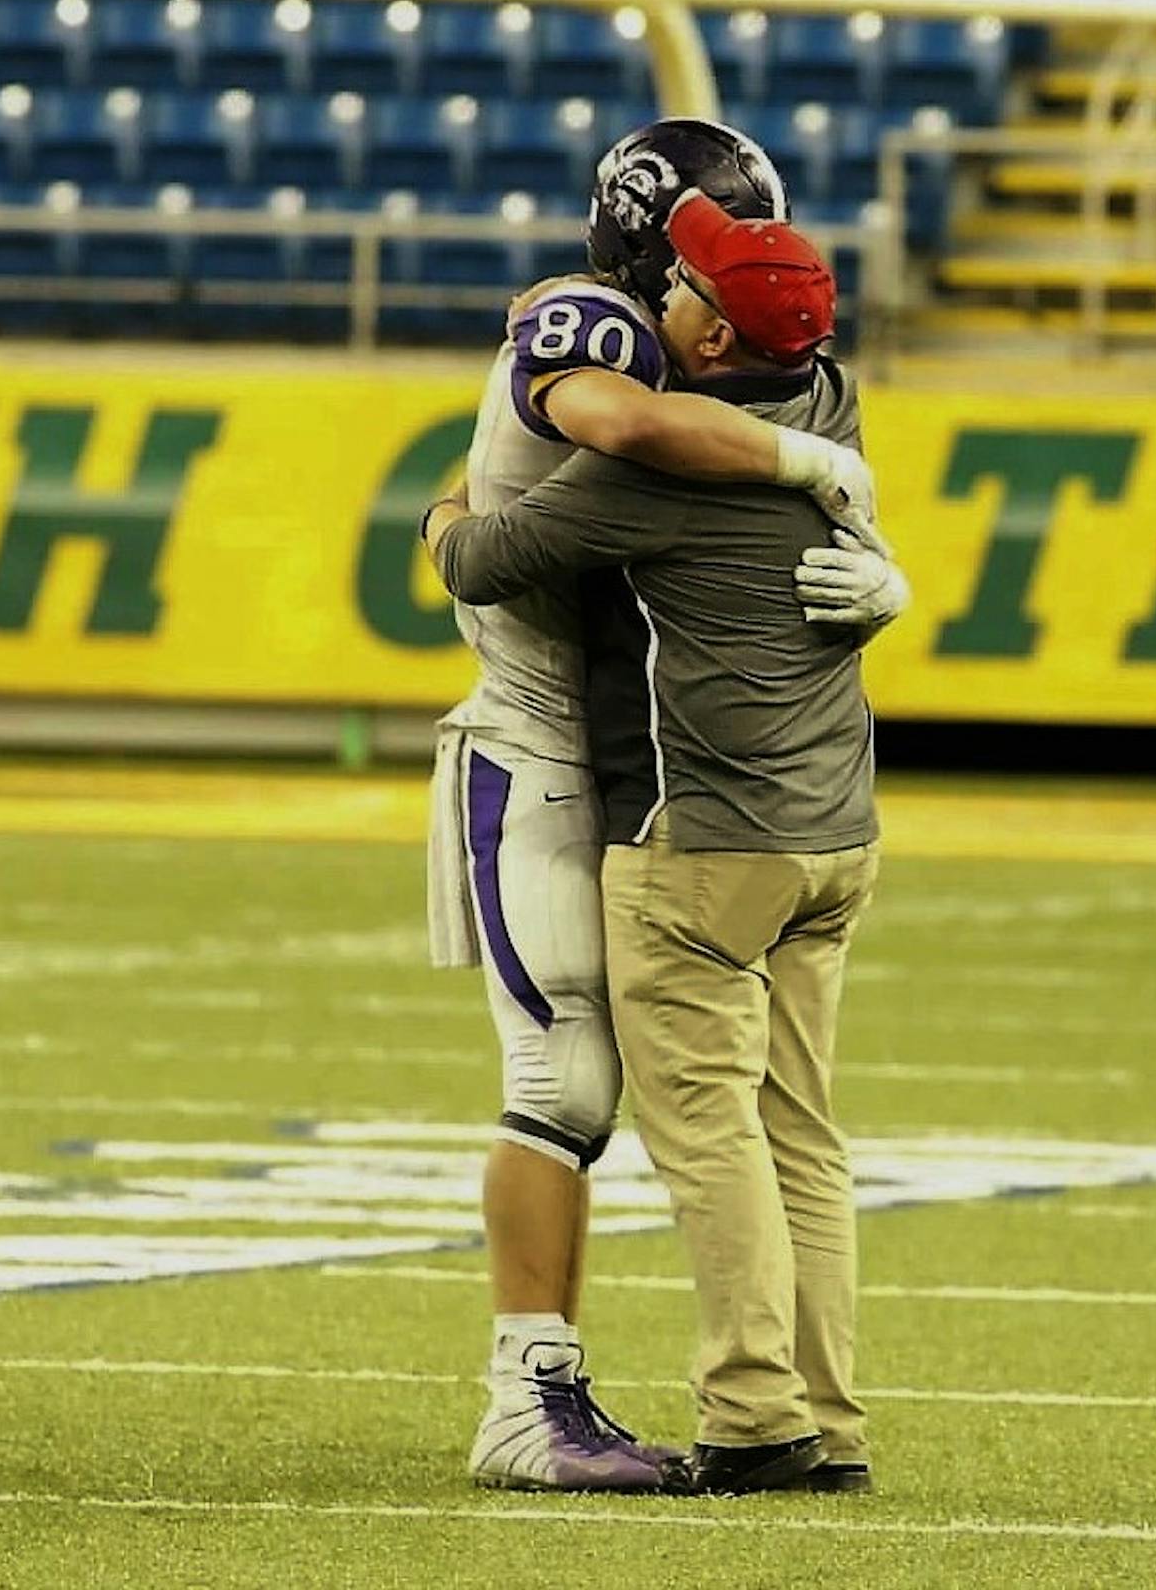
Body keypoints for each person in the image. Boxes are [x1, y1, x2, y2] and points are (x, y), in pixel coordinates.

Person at [427, 118, 889, 1493]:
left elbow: (495, 547)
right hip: (783, 814)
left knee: (678, 1121)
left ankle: (746, 1417)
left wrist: (445, 516)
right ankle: (791, 1415)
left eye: (707, 278)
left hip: (680, 819)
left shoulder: (649, 454)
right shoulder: (824, 399)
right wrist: (830, 490)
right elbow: (636, 415)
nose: (681, 289)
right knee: (743, 1119)